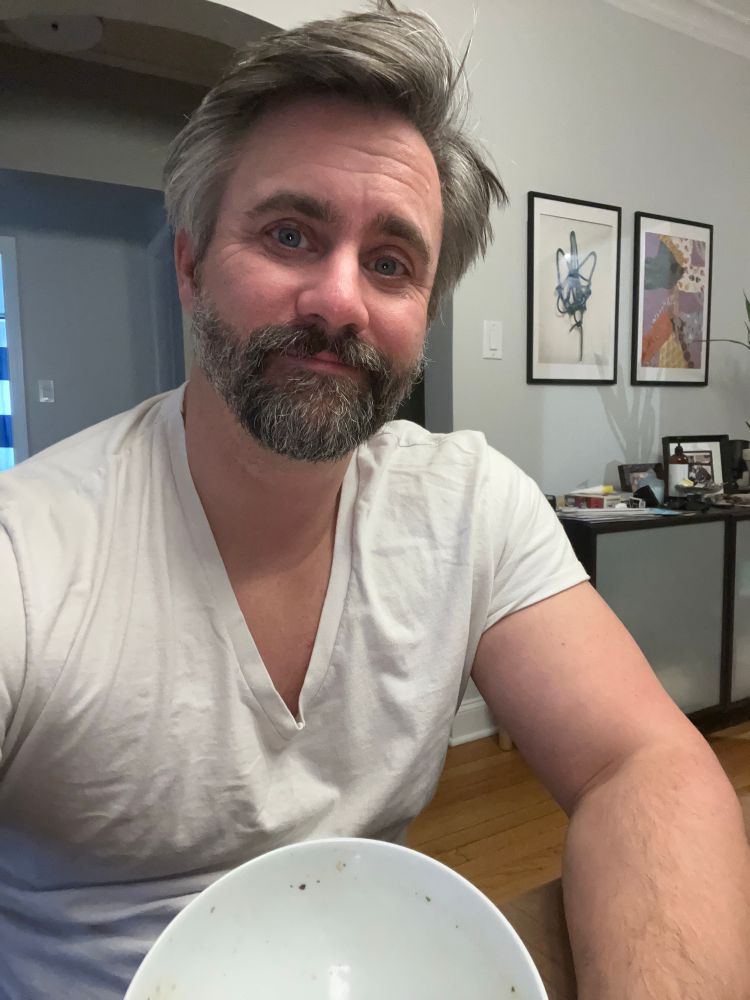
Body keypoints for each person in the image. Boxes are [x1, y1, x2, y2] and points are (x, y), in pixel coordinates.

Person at [0, 3, 748, 998]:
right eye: (290, 232)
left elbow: (643, 764)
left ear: (424, 315)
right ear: (189, 265)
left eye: (391, 263)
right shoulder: (32, 553)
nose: (341, 299)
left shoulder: (470, 505)